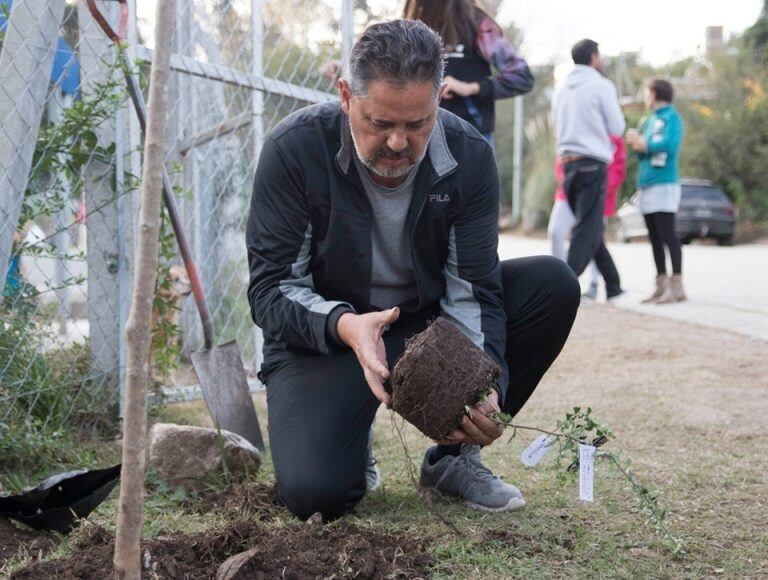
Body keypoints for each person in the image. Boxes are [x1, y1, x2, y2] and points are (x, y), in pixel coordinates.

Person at [246, 20, 579, 521]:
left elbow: (474, 290)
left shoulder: (468, 157)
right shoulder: (294, 151)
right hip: (330, 335)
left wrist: (483, 384)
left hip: (424, 328)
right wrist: (346, 326)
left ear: (438, 102)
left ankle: (452, 460)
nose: (399, 143)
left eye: (418, 123)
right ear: (345, 96)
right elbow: (272, 290)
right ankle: (352, 444)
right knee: (317, 495)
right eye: (380, 123)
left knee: (551, 285)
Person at [552, 39, 625, 299]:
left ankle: (613, 285)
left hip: (567, 165)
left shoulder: (561, 87)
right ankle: (565, 285)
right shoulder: (601, 85)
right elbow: (617, 127)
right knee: (586, 228)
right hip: (593, 164)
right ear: (593, 57)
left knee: (589, 226)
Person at [403, 0, 533, 143]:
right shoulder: (410, 27)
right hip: (421, 135)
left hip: (471, 136)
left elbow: (521, 76)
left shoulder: (477, 24)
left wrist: (470, 88)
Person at [626, 79, 686, 303]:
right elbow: (643, 153)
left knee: (668, 234)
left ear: (653, 93)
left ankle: (677, 286)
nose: (644, 97)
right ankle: (660, 284)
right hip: (647, 182)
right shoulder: (648, 120)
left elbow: (670, 145)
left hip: (665, 182)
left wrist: (646, 144)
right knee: (653, 237)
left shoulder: (672, 118)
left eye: (645, 93)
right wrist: (638, 145)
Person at [548, 135, 627, 300]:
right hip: (570, 189)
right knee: (561, 232)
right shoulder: (577, 125)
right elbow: (561, 157)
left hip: (597, 191)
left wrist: (601, 187)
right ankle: (611, 284)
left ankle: (588, 284)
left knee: (591, 237)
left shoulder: (612, 137)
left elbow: (618, 168)